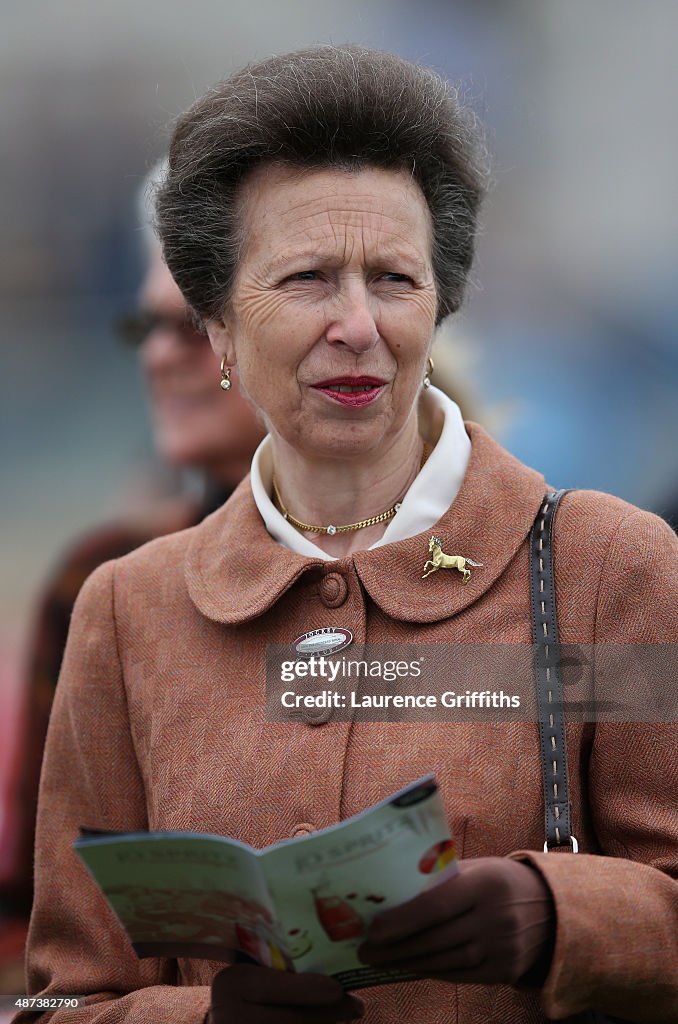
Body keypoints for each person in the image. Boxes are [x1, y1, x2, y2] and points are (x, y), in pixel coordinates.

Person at [19, 46, 677, 1024]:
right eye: (308, 278)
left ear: (441, 304)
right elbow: (59, 1004)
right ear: (217, 329)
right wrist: (196, 1021)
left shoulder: (602, 568)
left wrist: (556, 917)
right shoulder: (126, 612)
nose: (358, 323)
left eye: (395, 278)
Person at [0, 165, 265, 960]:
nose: (155, 358)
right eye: (141, 327)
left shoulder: (509, 556)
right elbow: (37, 918)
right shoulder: (104, 579)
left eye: (187, 325)